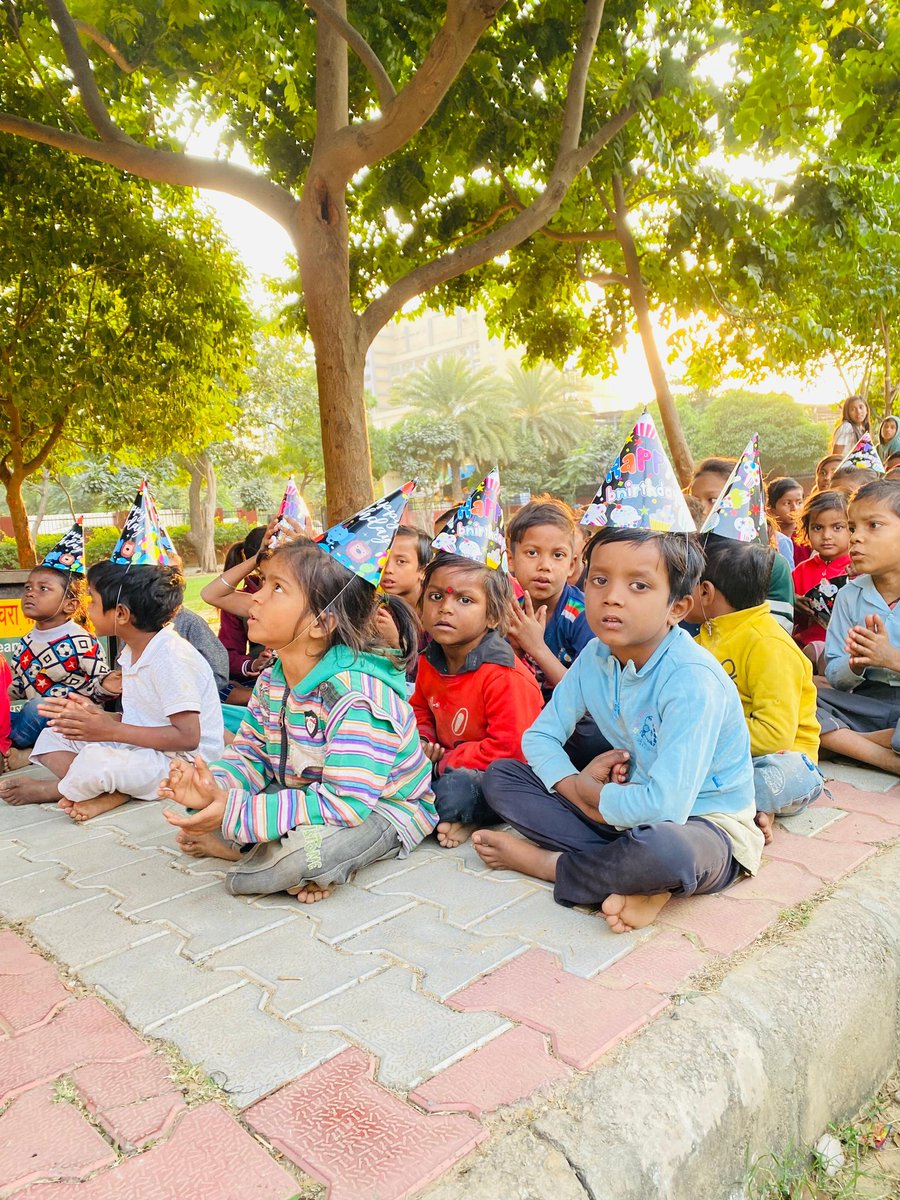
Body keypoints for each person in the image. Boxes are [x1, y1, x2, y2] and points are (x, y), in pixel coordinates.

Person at [476, 527, 762, 934]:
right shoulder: (595, 656)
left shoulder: (690, 679)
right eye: (599, 579)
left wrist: (598, 796)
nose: (612, 596)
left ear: (677, 607)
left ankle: (552, 865)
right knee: (503, 777)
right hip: (620, 810)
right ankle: (635, 878)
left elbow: (667, 807)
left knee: (665, 851)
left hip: (702, 824)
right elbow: (539, 737)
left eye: (639, 585)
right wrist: (574, 785)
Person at [160, 541, 437, 901]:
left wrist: (234, 811)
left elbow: (347, 803)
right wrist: (211, 786)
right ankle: (262, 845)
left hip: (379, 808)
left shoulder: (355, 699)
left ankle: (262, 852)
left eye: (277, 588)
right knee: (222, 811)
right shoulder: (273, 677)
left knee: (297, 858)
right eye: (263, 584)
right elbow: (250, 755)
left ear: (322, 623)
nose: (256, 598)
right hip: (307, 792)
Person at [2, 560, 224, 818]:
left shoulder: (171, 657)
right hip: (140, 748)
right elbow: (141, 718)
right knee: (55, 734)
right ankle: (109, 791)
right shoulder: (131, 651)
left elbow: (187, 737)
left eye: (93, 602)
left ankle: (59, 789)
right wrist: (92, 718)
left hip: (180, 764)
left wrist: (111, 730)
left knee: (97, 760)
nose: (89, 608)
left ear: (121, 614)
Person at [688, 535, 823, 844]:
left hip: (783, 761)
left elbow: (776, 736)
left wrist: (705, 735)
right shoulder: (704, 637)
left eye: (684, 585)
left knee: (769, 777)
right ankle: (749, 810)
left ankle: (755, 810)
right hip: (727, 754)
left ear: (705, 592)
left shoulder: (768, 644)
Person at [411, 552, 543, 848]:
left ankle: (469, 817)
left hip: (504, 775)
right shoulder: (428, 662)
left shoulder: (504, 675)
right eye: (435, 597)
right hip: (445, 764)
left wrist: (444, 761)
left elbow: (511, 750)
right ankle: (451, 816)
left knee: (454, 791)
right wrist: (423, 741)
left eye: (464, 600)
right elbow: (420, 708)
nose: (445, 608)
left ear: (493, 615)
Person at [816, 479, 900, 774]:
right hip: (868, 703)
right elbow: (835, 675)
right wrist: (854, 665)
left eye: (873, 525)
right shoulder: (849, 596)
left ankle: (847, 745)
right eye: (853, 528)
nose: (855, 538)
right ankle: (887, 756)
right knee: (801, 700)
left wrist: (890, 658)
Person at [4, 563, 108, 762]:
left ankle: (14, 749)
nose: (31, 594)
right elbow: (18, 686)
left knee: (38, 707)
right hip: (32, 721)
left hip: (72, 721)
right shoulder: (26, 641)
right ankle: (21, 750)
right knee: (28, 710)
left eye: (43, 589)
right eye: (28, 588)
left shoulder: (82, 640)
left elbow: (100, 685)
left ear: (70, 604)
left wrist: (108, 685)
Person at [204, 519, 309, 703]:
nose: (257, 596)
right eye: (262, 577)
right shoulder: (270, 682)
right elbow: (211, 594)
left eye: (278, 586)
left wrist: (313, 556)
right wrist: (257, 558)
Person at [506, 497, 594, 698]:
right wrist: (516, 651)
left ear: (572, 565)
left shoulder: (583, 616)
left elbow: (586, 697)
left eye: (558, 555)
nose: (544, 565)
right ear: (510, 560)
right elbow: (502, 683)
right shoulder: (512, 615)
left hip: (578, 725)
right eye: (532, 552)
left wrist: (536, 647)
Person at [791, 491, 852, 671]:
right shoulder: (801, 570)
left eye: (837, 527)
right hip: (804, 646)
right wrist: (794, 601)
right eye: (817, 528)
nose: (826, 535)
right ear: (806, 529)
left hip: (845, 649)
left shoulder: (859, 568)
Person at [766, 478, 807, 566]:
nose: (794, 508)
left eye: (799, 502)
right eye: (787, 503)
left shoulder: (807, 538)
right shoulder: (768, 538)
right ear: (770, 508)